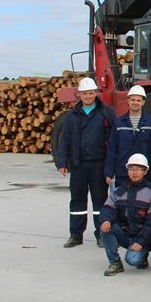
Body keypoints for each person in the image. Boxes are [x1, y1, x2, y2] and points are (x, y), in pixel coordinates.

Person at [56, 77, 117, 248]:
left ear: (96, 93)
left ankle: (101, 235)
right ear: (79, 95)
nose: (88, 96)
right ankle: (76, 235)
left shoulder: (106, 112)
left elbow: (114, 140)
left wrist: (110, 167)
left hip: (99, 164)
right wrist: (61, 162)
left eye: (91, 93)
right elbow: (64, 140)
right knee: (77, 201)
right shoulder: (71, 116)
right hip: (78, 165)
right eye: (85, 94)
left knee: (100, 201)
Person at [98, 154, 151, 276]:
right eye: (131, 168)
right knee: (104, 228)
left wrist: (141, 242)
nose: (134, 172)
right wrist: (106, 220)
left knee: (133, 260)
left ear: (145, 171)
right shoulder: (119, 191)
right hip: (125, 235)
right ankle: (115, 263)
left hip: (144, 238)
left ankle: (143, 254)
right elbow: (107, 208)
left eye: (138, 169)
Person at [105, 85, 151, 189]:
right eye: (133, 100)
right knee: (121, 203)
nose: (135, 103)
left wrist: (148, 167)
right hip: (122, 173)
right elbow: (112, 149)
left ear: (143, 102)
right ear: (128, 100)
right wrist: (109, 172)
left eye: (138, 100)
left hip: (145, 175)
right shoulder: (119, 123)